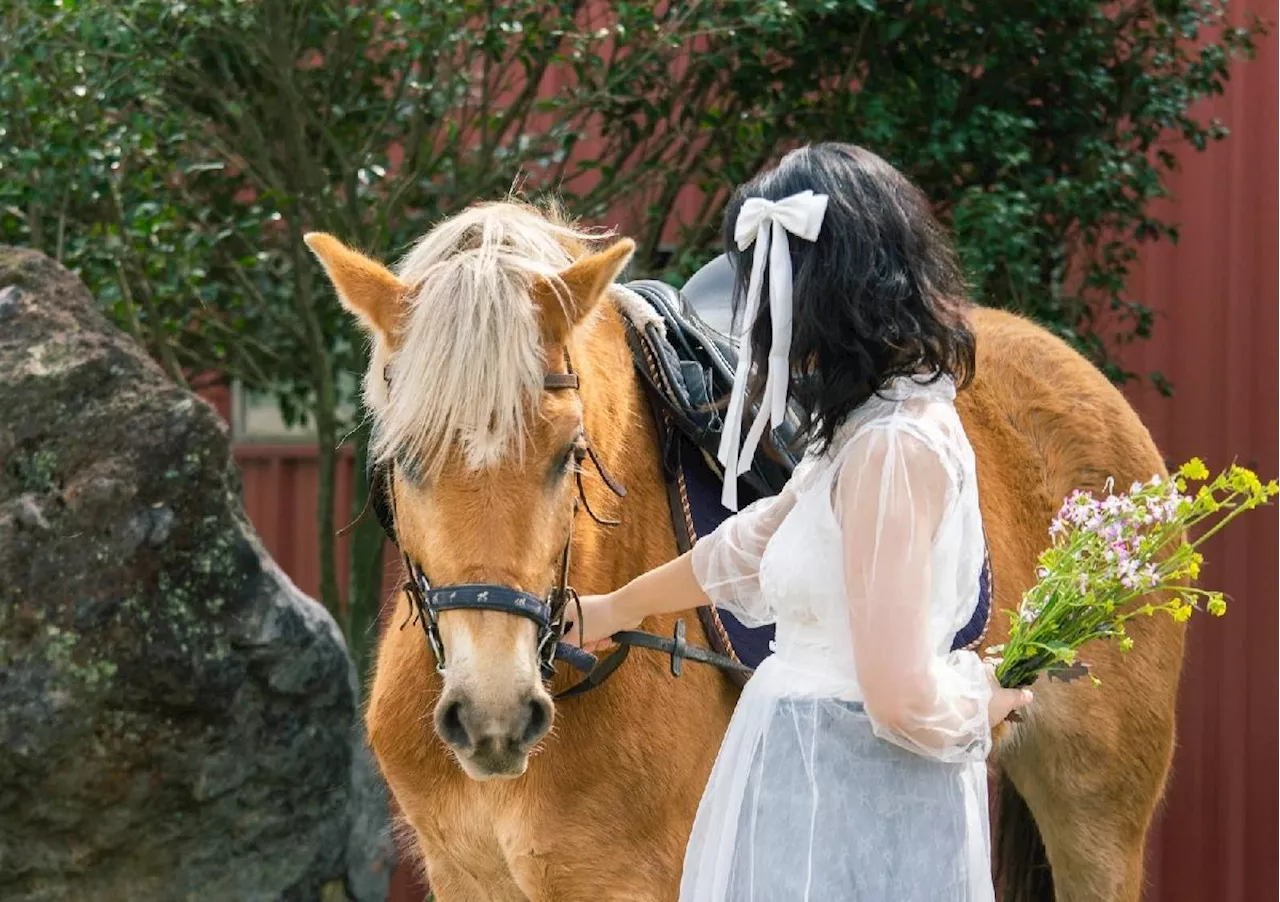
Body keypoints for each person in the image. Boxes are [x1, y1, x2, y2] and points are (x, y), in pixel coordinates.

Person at [570, 143, 1033, 901]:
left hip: (858, 794)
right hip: (810, 781)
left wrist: (986, 704)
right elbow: (746, 549)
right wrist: (613, 607)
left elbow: (899, 697)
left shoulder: (891, 450)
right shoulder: (861, 431)